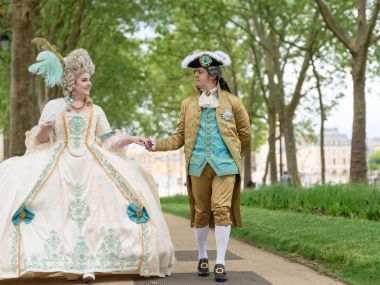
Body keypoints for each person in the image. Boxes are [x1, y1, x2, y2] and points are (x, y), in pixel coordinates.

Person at [0, 39, 174, 283]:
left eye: (89, 79)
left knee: (99, 209)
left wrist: (133, 138)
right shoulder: (54, 106)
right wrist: (44, 128)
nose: (89, 83)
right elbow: (39, 139)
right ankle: (61, 261)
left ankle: (90, 264)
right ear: (72, 83)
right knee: (53, 207)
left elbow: (109, 141)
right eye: (84, 80)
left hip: (92, 164)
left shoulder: (97, 110)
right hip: (59, 164)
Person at [147, 51, 251, 282]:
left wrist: (232, 154)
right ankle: (203, 257)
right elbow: (179, 137)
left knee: (221, 208)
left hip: (225, 166)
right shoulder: (188, 104)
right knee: (201, 212)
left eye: (199, 71)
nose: (195, 75)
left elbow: (245, 134)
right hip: (197, 166)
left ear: (212, 75)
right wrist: (155, 145)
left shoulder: (233, 102)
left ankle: (221, 261)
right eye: (195, 71)